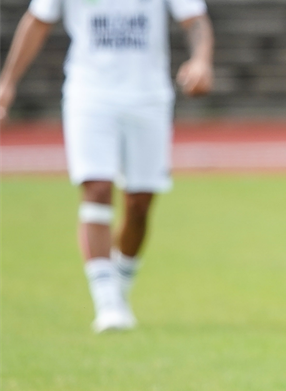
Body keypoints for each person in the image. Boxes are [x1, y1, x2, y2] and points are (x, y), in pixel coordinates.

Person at [0, 0, 214, 332]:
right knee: (97, 187)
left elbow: (195, 19)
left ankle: (120, 288)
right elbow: (37, 21)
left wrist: (201, 60)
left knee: (140, 202)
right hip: (90, 94)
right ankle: (107, 301)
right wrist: (7, 82)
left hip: (149, 97)